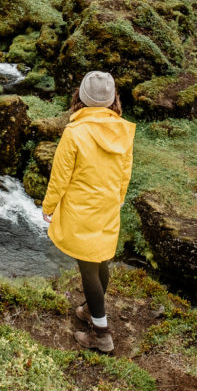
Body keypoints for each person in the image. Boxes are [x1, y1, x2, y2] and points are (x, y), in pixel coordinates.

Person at [41, 71, 135, 353]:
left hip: (82, 209)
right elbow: (125, 171)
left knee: (87, 268)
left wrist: (48, 206)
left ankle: (101, 333)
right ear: (112, 100)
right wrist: (119, 197)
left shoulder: (75, 133)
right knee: (100, 259)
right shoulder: (122, 130)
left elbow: (60, 177)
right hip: (107, 205)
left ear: (80, 98)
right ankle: (89, 310)